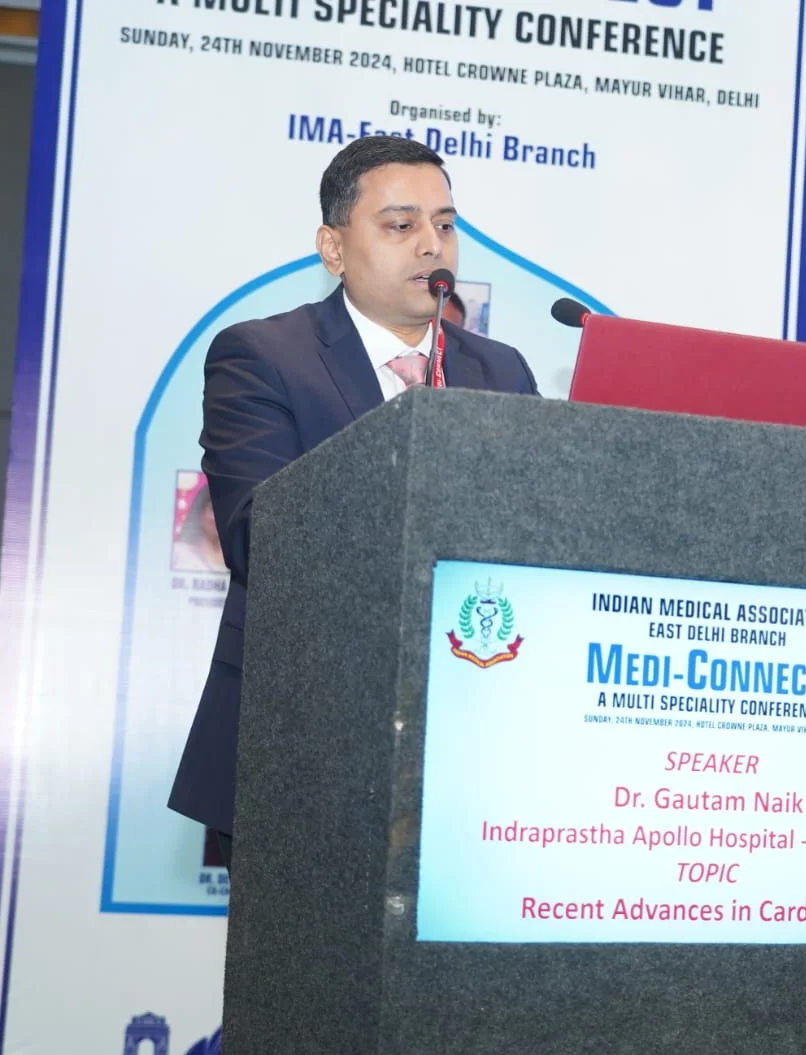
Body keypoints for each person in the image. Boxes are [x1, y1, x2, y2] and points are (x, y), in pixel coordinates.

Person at [167, 136, 540, 867]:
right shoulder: (263, 356)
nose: (431, 244)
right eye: (401, 225)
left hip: (473, 745)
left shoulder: (501, 371)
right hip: (306, 737)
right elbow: (260, 537)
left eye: (445, 224)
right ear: (333, 248)